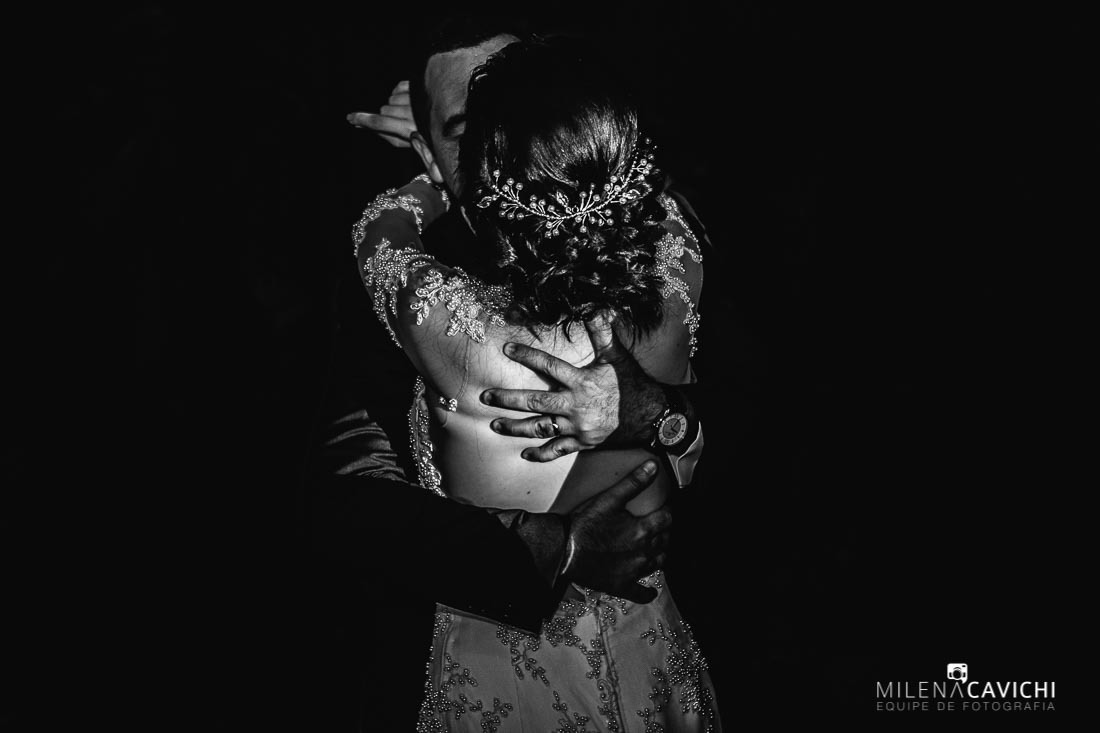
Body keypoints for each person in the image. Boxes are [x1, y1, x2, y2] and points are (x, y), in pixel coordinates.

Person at [352, 37, 719, 731]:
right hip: (646, 649)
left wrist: (432, 173)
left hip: (505, 675)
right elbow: (661, 200)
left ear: (485, 175)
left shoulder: (447, 326)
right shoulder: (675, 290)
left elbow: (380, 230)